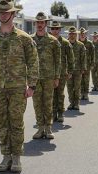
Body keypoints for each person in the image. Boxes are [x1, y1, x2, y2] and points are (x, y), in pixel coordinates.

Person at [0, 0, 39, 172]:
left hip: (18, 88)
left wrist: (32, 85)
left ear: (13, 15)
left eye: (6, 12)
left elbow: (33, 62)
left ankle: (17, 158)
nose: (3, 15)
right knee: (2, 123)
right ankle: (6, 157)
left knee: (16, 123)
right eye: (1, 12)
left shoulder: (24, 38)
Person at [31, 12, 61, 140]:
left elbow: (57, 60)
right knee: (37, 103)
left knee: (48, 103)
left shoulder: (53, 41)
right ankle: (40, 128)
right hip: (35, 78)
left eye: (42, 22)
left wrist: (57, 77)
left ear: (46, 24)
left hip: (49, 77)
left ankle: (48, 128)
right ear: (35, 24)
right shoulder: (30, 40)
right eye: (38, 22)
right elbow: (26, 59)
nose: (39, 25)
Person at [49, 21, 75, 122]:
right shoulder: (48, 41)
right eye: (53, 29)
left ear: (60, 30)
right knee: (51, 95)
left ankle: (60, 113)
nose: (55, 31)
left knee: (60, 94)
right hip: (49, 73)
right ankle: (53, 113)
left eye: (56, 29)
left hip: (62, 73)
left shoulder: (65, 42)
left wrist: (70, 71)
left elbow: (71, 58)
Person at [66, 26, 86, 110]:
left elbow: (83, 57)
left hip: (78, 70)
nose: (72, 35)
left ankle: (76, 103)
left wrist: (83, 68)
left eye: (73, 33)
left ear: (76, 34)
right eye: (70, 33)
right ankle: (71, 103)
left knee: (77, 87)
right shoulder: (65, 44)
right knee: (69, 87)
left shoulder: (80, 45)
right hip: (68, 70)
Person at [79, 27, 94, 101]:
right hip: (78, 66)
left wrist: (92, 64)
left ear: (85, 34)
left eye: (83, 33)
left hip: (87, 65)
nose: (82, 35)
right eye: (81, 34)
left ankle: (86, 94)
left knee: (86, 80)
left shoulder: (89, 43)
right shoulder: (77, 42)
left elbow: (92, 54)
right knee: (80, 80)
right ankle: (81, 93)